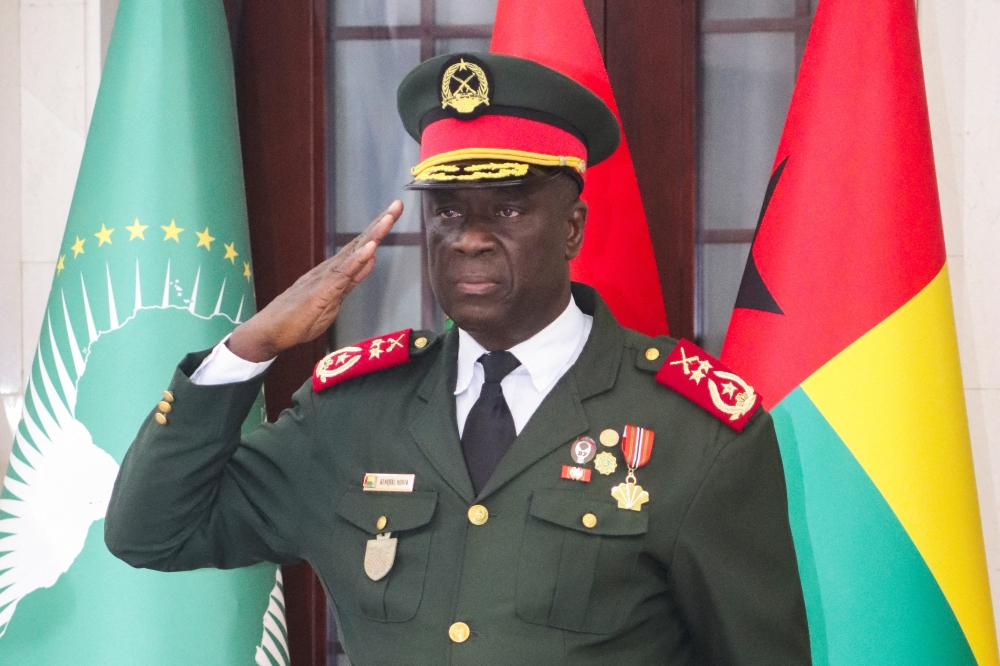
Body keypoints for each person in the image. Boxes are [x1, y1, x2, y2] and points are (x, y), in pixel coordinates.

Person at [105, 52, 811, 665]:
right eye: (446, 211)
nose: (467, 239)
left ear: (572, 227)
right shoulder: (352, 413)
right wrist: (249, 347)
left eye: (505, 210)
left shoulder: (694, 434)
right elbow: (150, 533)